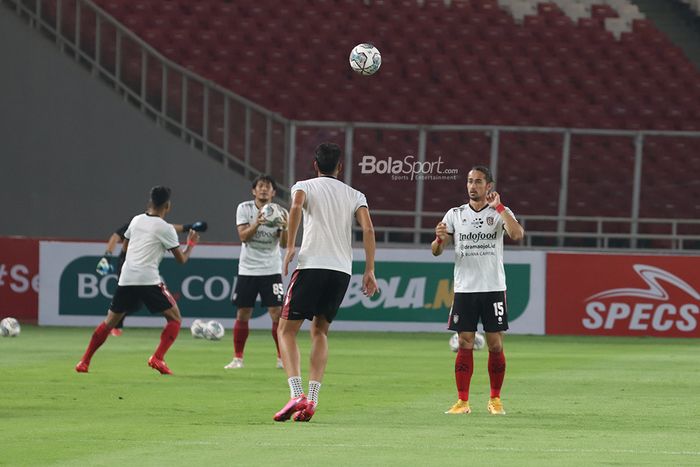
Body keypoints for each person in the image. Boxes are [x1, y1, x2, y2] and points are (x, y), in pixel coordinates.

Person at [273, 142, 379, 423]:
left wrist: (291, 246)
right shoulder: (355, 194)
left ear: (315, 165)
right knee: (320, 331)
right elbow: (368, 228)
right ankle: (313, 400)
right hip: (341, 270)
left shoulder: (304, 186)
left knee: (286, 330)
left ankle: (296, 393)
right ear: (340, 167)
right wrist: (369, 269)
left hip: (312, 265)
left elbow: (295, 207)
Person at [76, 186, 200, 375]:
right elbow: (181, 260)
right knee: (175, 319)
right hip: (148, 278)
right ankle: (157, 357)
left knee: (109, 322)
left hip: (126, 277)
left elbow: (125, 247)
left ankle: (84, 362)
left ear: (150, 202)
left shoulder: (136, 220)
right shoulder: (166, 229)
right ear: (168, 205)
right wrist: (190, 245)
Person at [432, 165, 524, 415]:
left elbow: (517, 234)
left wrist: (501, 209)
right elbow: (436, 250)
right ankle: (462, 402)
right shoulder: (455, 214)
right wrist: (439, 239)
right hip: (465, 289)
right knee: (465, 342)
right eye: (470, 181)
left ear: (489, 186)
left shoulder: (499, 213)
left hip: (493, 287)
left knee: (495, 345)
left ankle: (495, 399)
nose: (473, 186)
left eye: (478, 182)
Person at [96, 220, 207, 336]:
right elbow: (115, 237)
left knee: (135, 303)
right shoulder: (137, 222)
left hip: (141, 266)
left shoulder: (157, 225)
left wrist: (189, 226)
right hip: (127, 263)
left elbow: (170, 227)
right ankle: (114, 323)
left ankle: (114, 322)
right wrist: (107, 257)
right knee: (136, 300)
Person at [225, 174, 288, 370]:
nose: (263, 189)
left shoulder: (281, 212)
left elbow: (284, 244)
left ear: (273, 192)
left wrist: (285, 228)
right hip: (248, 268)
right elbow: (243, 237)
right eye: (260, 186)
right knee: (243, 313)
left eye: (267, 187)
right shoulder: (244, 208)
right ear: (254, 191)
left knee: (277, 314)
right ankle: (238, 358)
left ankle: (281, 358)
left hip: (271, 268)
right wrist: (258, 223)